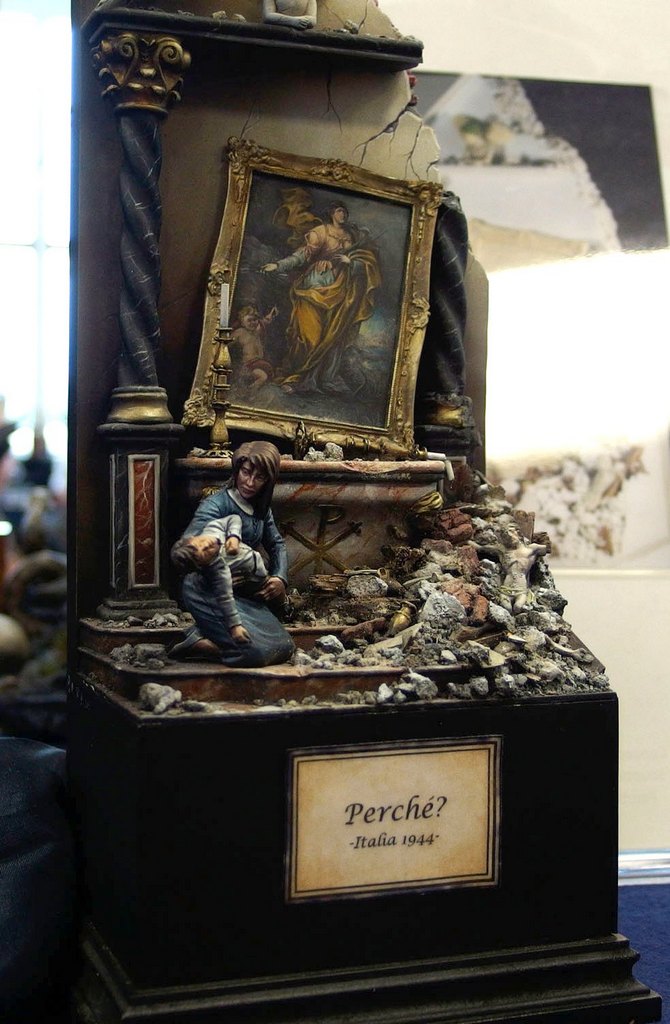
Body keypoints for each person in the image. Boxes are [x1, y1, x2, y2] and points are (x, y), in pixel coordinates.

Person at [170, 440, 294, 667]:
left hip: (244, 593)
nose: (250, 482)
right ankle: (198, 644)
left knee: (283, 646)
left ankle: (204, 634)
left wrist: (279, 578)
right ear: (237, 470)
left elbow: (276, 544)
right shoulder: (216, 506)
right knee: (256, 654)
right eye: (246, 473)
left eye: (259, 477)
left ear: (268, 480)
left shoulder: (260, 509)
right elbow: (189, 545)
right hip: (208, 590)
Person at [261, 203, 381, 394]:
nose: (343, 214)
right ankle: (295, 379)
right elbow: (301, 256)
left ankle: (321, 381)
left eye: (345, 211)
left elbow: (365, 261)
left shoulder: (351, 236)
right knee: (309, 337)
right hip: (314, 287)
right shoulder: (320, 232)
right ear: (332, 213)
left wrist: (351, 262)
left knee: (332, 338)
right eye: (339, 211)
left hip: (340, 293)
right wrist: (278, 265)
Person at [171, 513, 270, 646]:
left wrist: (234, 536)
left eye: (199, 543)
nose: (206, 545)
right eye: (204, 553)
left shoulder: (213, 529)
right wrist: (235, 627)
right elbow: (225, 598)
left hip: (259, 563)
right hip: (251, 582)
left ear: (193, 537)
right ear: (203, 565)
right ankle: (198, 638)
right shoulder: (219, 571)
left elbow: (234, 518)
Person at [228, 305, 277, 390]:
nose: (252, 323)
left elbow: (265, 321)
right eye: (249, 320)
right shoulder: (240, 332)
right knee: (263, 377)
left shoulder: (256, 331)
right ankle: (248, 392)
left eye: (255, 320)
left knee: (268, 380)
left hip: (260, 363)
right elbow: (227, 342)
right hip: (249, 365)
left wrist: (271, 314)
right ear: (242, 322)